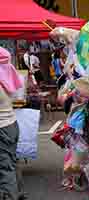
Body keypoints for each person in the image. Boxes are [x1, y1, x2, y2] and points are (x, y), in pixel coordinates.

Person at [0, 47, 24, 200]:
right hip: (11, 124)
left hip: (2, 127)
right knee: (11, 162)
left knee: (4, 168)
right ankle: (19, 193)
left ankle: (10, 197)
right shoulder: (6, 73)